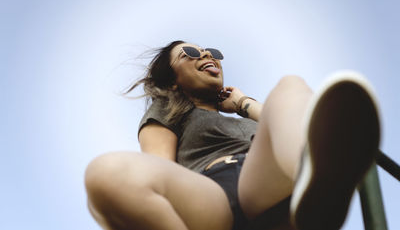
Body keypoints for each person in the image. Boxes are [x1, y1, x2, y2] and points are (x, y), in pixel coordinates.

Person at [84, 40, 381, 230]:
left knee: (290, 86)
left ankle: (316, 187)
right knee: (107, 174)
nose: (204, 53)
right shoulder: (170, 111)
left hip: (268, 188)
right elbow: (157, 168)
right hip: (211, 201)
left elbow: (300, 127)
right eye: (189, 52)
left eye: (211, 52)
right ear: (172, 81)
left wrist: (242, 103)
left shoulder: (247, 117)